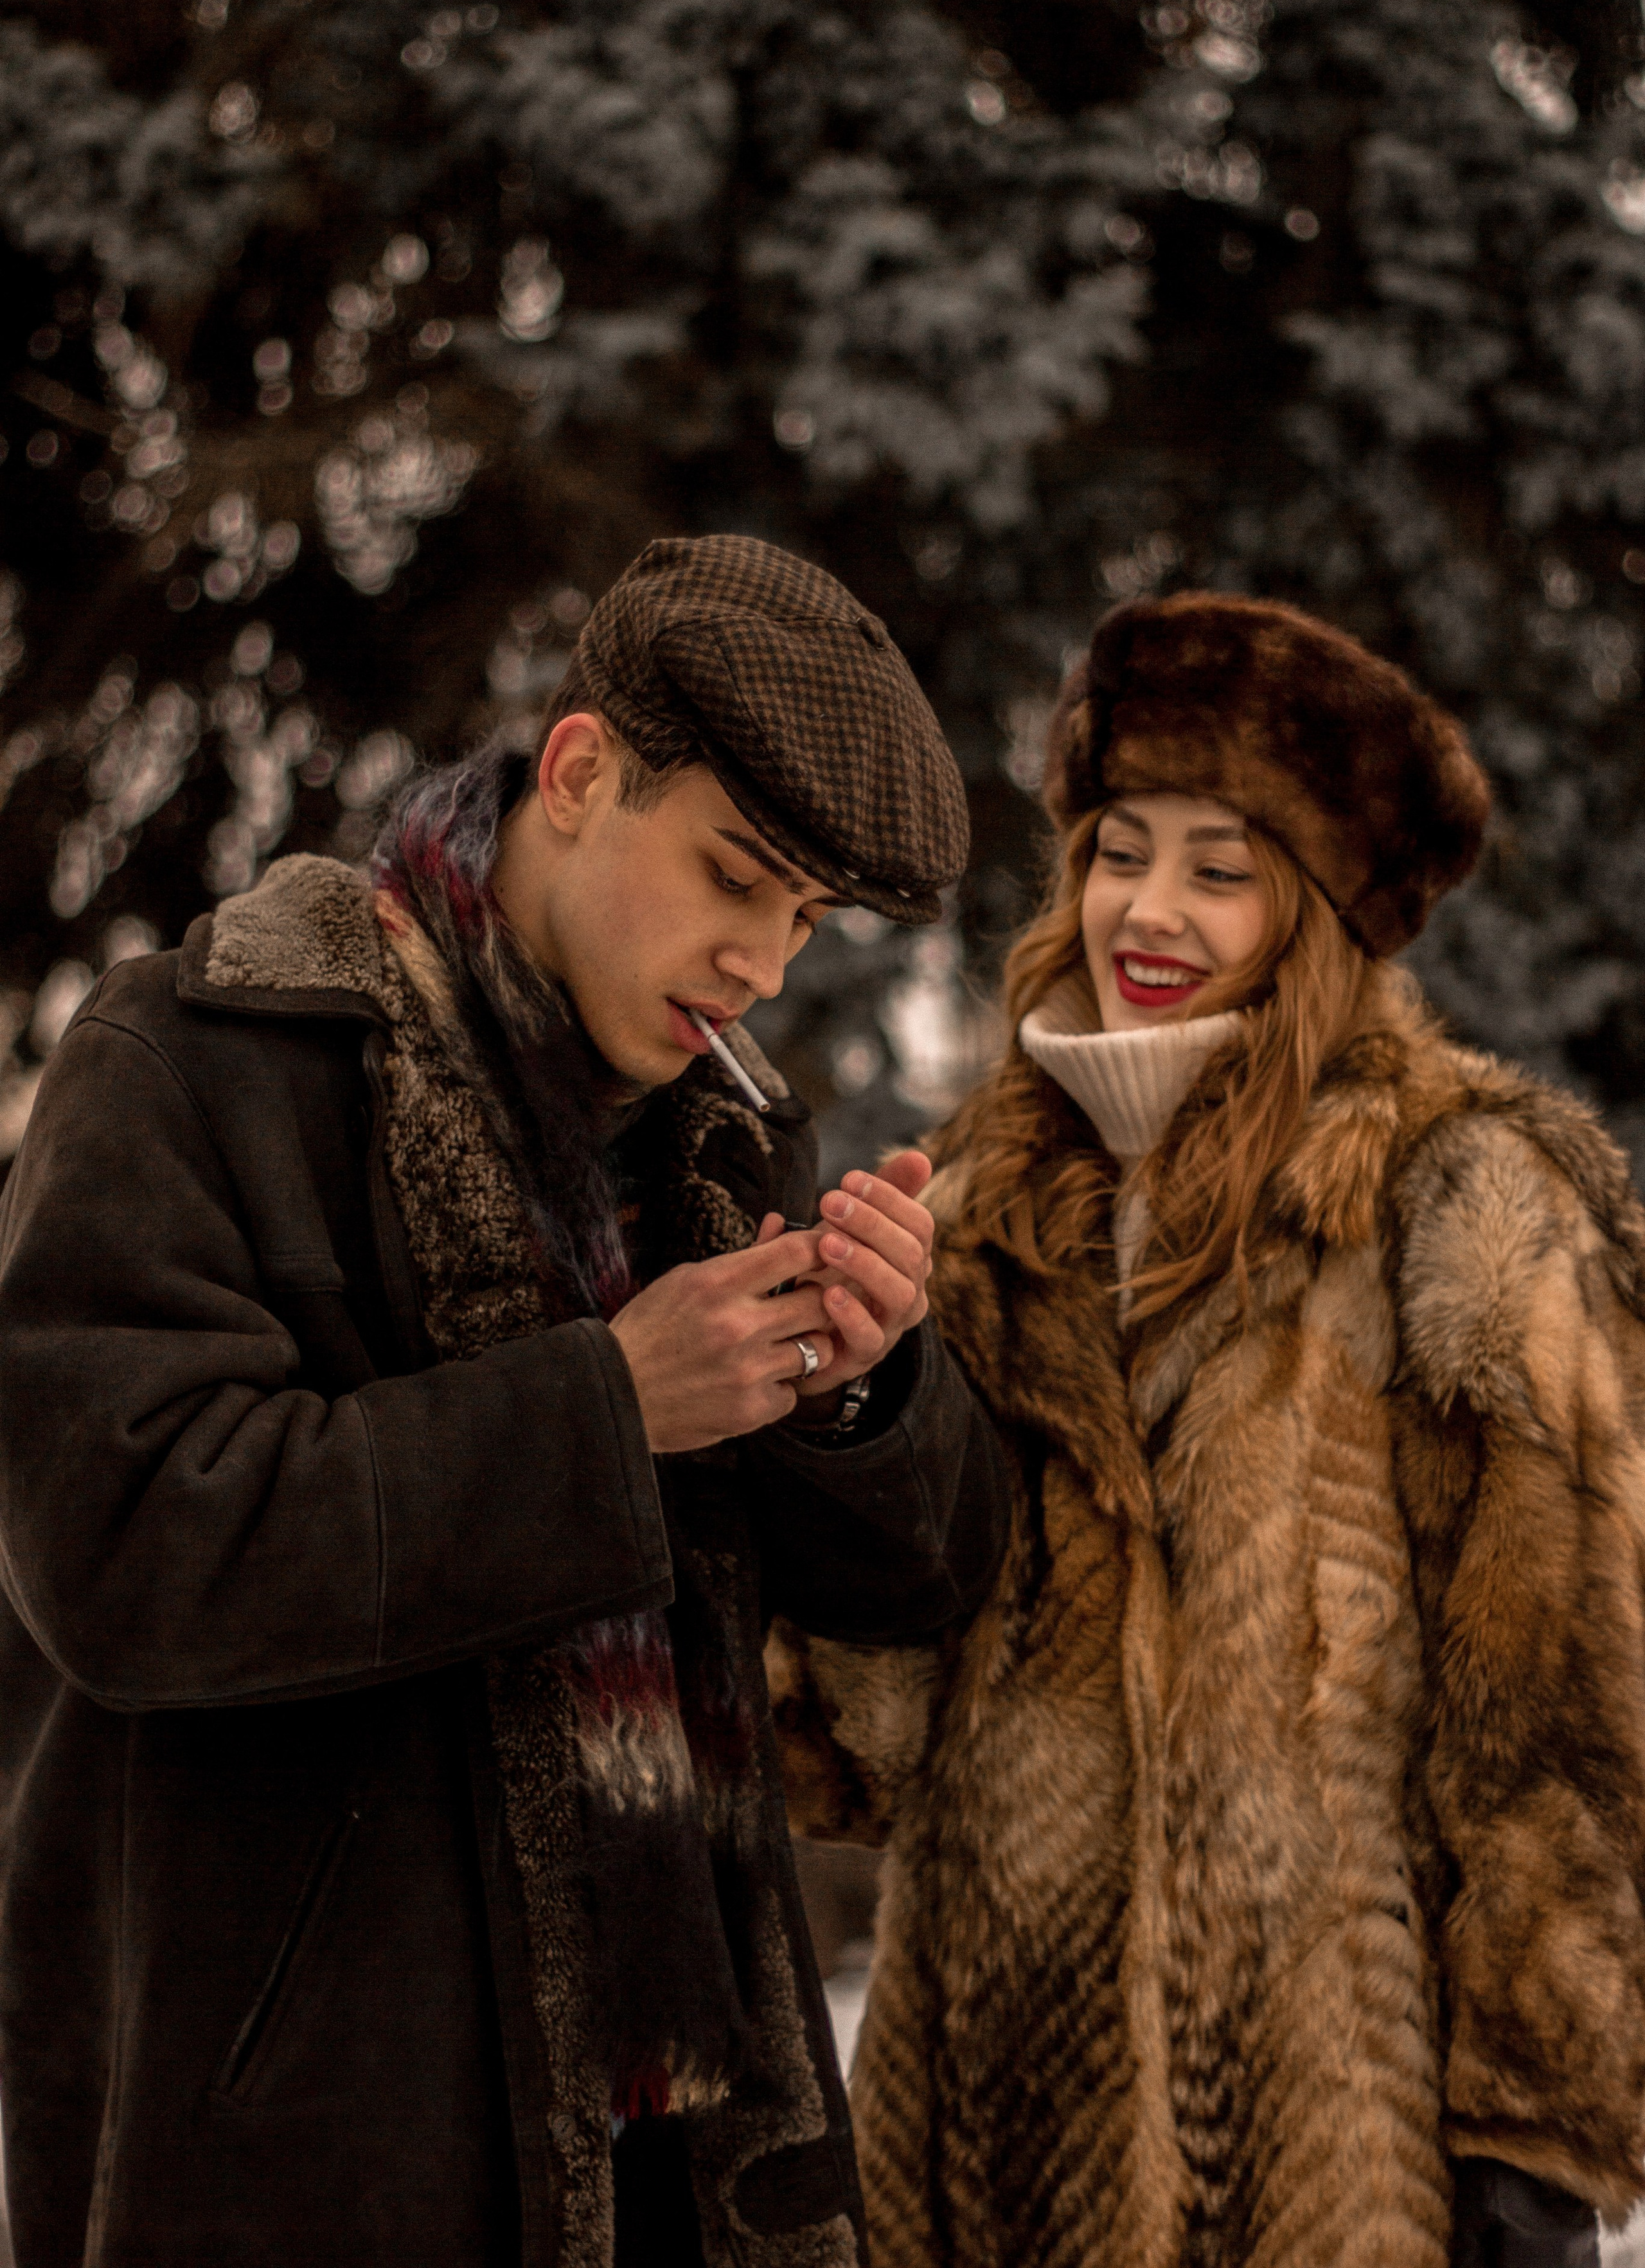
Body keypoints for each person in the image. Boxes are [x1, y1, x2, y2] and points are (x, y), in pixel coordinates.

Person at [0, 534, 1008, 2268]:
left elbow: (927, 1585)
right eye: (733, 877)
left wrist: (868, 1391)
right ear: (579, 769)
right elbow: (120, 1550)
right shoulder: (193, 1057)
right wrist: (606, 1413)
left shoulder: (721, 1131)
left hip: (695, 2171)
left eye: (804, 916)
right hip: (315, 2165)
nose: (763, 959)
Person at [770, 591, 1645, 2268]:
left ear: (1315, 908)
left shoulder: (1460, 1201)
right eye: (1119, 847)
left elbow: (1564, 1741)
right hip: (984, 2153)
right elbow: (855, 1746)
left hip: (1336, 2167)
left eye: (1221, 867)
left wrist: (1530, 2155)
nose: (1147, 909)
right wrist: (854, 1411)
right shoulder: (973, 1213)